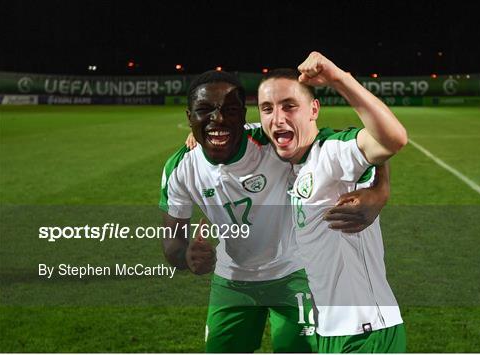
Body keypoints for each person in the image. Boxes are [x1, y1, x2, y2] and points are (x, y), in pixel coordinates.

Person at [159, 70, 391, 352]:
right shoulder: (180, 168)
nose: (218, 120)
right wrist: (185, 255)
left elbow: (355, 143)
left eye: (230, 111)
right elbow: (172, 241)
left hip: (296, 275)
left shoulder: (273, 142)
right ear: (189, 117)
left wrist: (381, 190)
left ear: (243, 114)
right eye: (204, 111)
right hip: (232, 282)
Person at [256, 52, 407, 353]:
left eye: (289, 106)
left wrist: (339, 78)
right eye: (267, 109)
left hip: (365, 333)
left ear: (313, 109)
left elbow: (393, 139)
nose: (277, 118)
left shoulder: (332, 153)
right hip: (328, 330)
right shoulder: (291, 160)